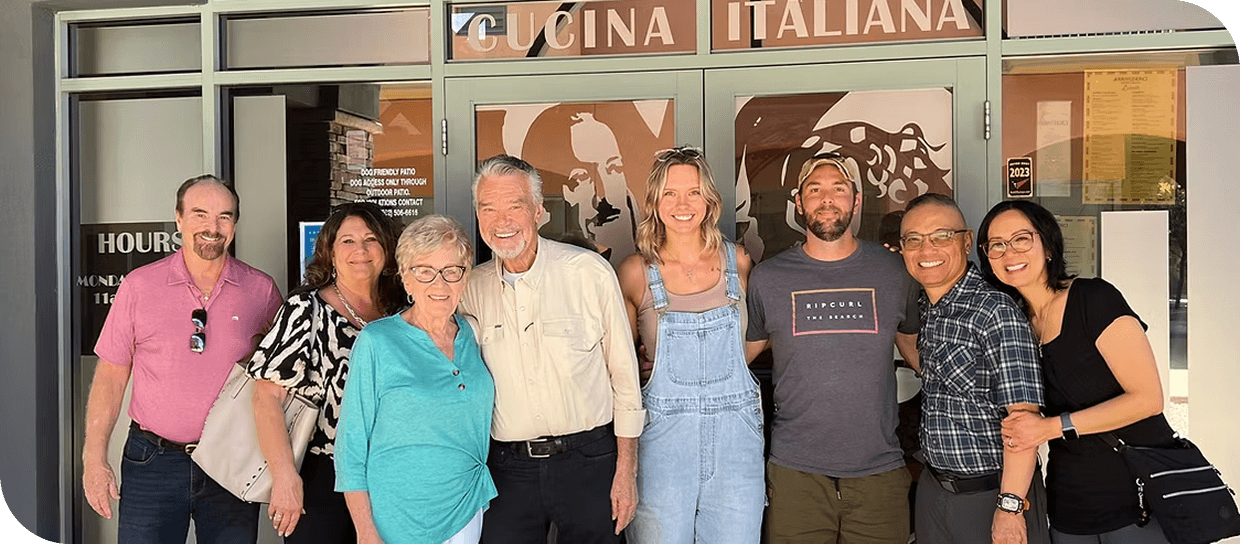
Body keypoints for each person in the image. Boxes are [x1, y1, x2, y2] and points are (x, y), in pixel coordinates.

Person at [83, 174, 282, 543]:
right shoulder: (139, 286)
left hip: (230, 461)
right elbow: (111, 376)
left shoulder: (261, 290)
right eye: (200, 214)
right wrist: (94, 459)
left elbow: (281, 380)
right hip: (152, 461)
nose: (212, 227)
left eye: (224, 216)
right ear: (178, 218)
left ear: (235, 225)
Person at [460, 154, 644, 543]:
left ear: (539, 211)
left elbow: (625, 378)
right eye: (488, 208)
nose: (502, 220)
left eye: (515, 205)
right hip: (506, 469)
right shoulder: (469, 290)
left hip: (590, 461)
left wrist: (626, 471)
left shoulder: (589, 273)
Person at [745, 152, 920, 543]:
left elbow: (914, 349)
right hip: (795, 474)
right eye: (815, 189)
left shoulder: (895, 272)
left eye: (838, 189)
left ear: (856, 201)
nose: (827, 199)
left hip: (879, 471)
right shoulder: (769, 278)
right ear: (799, 202)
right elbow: (743, 352)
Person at [980, 200, 1175, 543]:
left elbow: (1148, 400)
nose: (1009, 252)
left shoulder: (1093, 299)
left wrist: (1049, 428)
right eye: (997, 244)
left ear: (1048, 245)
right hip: (1070, 500)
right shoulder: (1013, 323)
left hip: (1134, 492)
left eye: (1022, 239)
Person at [617, 147, 763, 543]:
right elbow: (621, 360)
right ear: (654, 202)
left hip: (737, 441)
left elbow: (761, 335)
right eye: (670, 193)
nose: (683, 204)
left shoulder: (739, 262)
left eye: (693, 192)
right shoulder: (635, 272)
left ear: (710, 200)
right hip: (662, 442)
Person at [898, 193, 1050, 544]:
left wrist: (1010, 508)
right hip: (935, 490)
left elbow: (1022, 418)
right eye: (914, 240)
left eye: (941, 236)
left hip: (992, 493)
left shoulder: (995, 311)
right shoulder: (929, 307)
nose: (927, 250)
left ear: (966, 241)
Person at [335, 214, 496, 544]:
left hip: (466, 507)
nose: (440, 284)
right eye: (424, 271)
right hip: (398, 516)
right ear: (406, 280)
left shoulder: (472, 333)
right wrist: (365, 530)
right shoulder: (378, 341)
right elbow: (351, 445)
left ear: (465, 278)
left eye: (452, 271)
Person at [248, 202, 404, 542]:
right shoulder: (306, 310)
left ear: (386, 250)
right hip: (323, 477)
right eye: (347, 241)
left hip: (391, 476)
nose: (360, 250)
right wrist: (285, 477)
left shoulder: (403, 312)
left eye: (371, 239)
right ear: (330, 252)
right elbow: (265, 397)